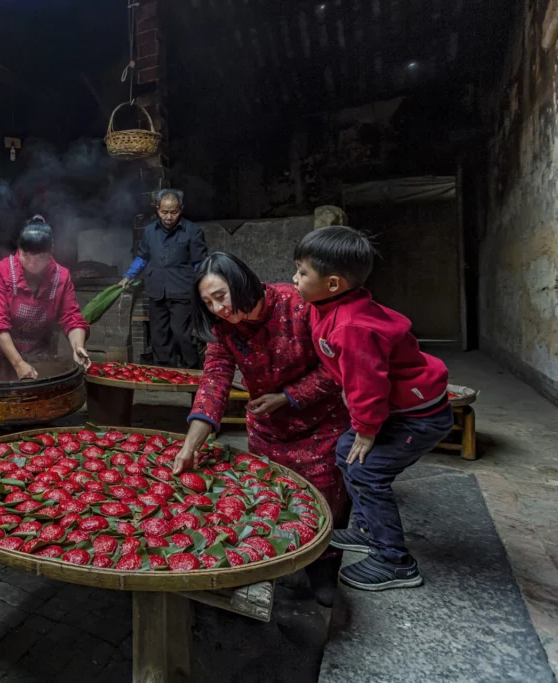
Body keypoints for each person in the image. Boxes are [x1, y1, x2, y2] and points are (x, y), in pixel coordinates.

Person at [172, 252, 350, 605]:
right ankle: (276, 563)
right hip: (267, 429)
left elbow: (337, 367)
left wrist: (287, 396)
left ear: (240, 282)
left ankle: (324, 570)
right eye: (208, 303)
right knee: (271, 500)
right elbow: (214, 381)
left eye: (221, 296)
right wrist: (190, 445)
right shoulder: (224, 329)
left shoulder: (299, 305)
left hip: (321, 428)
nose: (218, 309)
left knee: (325, 502)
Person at [293, 226, 453, 591]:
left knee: (367, 471)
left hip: (418, 415)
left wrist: (366, 429)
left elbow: (369, 384)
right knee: (346, 452)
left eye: (303, 273)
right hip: (395, 409)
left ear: (333, 284)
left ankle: (395, 562)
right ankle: (366, 529)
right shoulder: (328, 305)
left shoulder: (351, 325)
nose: (295, 279)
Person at [0, 216, 91, 378]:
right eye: (26, 256)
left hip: (36, 347)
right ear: (19, 250)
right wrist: (18, 363)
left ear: (51, 253)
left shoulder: (61, 277)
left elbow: (71, 317)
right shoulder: (2, 271)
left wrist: (77, 346)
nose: (32, 264)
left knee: (33, 396)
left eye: (40, 258)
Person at [119, 189, 208, 368]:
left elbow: (200, 262)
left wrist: (204, 286)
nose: (168, 217)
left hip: (182, 291)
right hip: (156, 290)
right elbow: (142, 256)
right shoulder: (150, 231)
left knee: (181, 334)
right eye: (164, 212)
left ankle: (192, 370)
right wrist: (129, 275)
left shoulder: (192, 231)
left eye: (173, 212)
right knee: (159, 335)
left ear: (181, 209)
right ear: (157, 209)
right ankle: (164, 370)